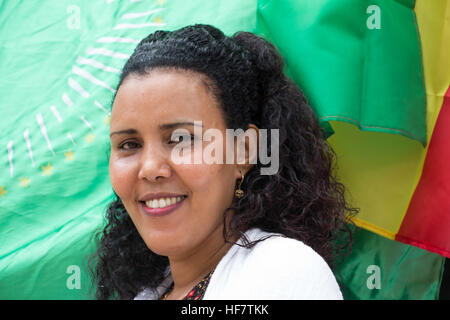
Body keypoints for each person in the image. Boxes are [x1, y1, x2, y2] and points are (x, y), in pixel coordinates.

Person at [90, 24, 357, 300]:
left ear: (243, 150)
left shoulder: (282, 269)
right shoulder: (150, 293)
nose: (149, 169)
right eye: (129, 144)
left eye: (181, 140)